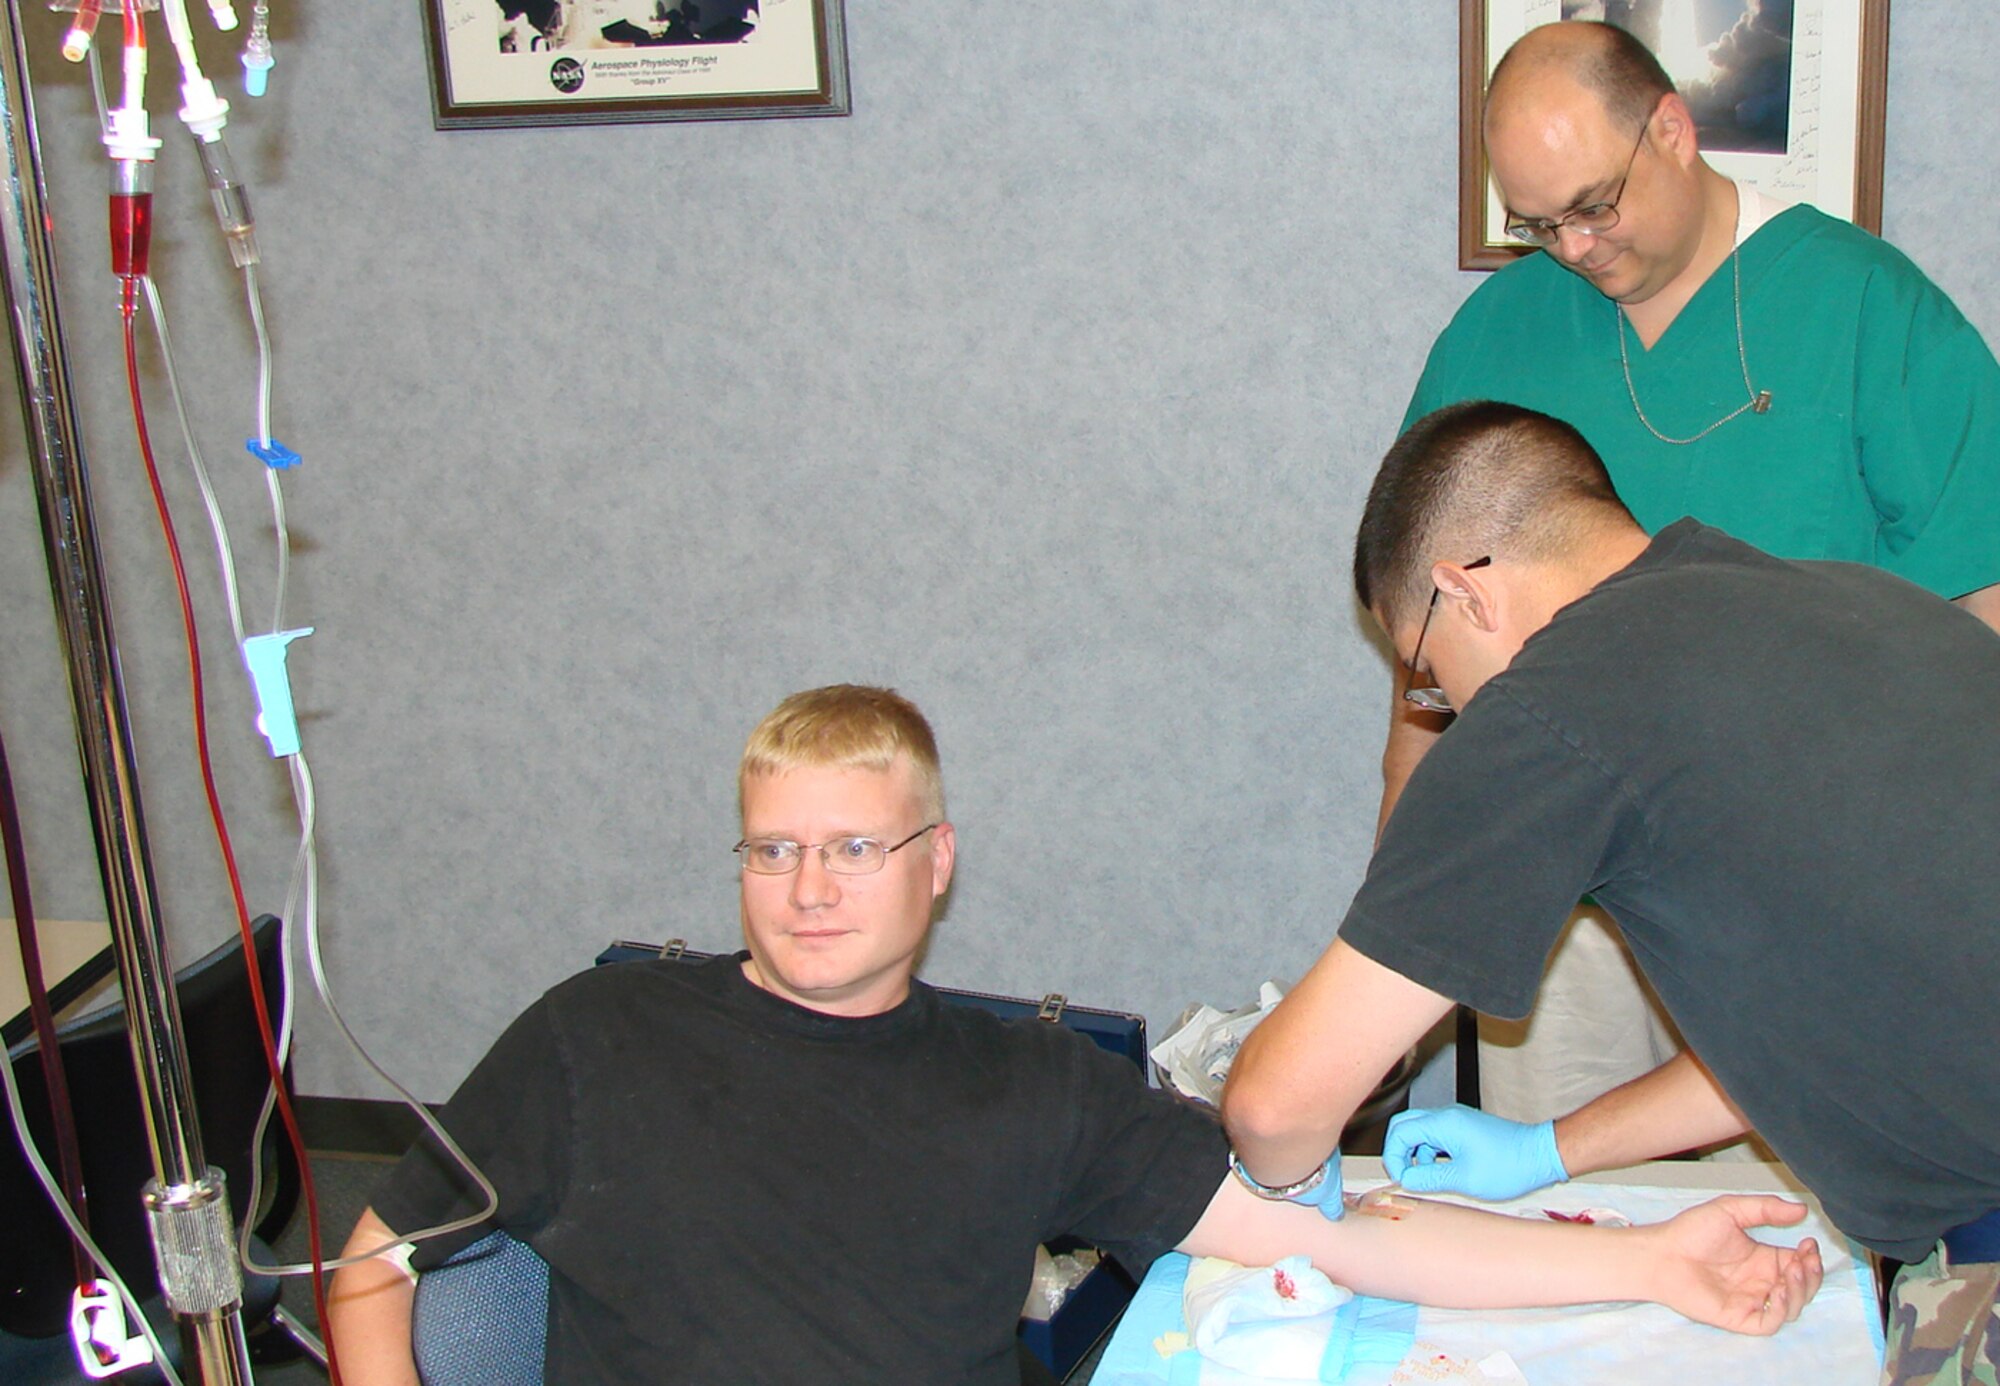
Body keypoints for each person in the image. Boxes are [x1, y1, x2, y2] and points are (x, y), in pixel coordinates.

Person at [327, 683, 1822, 1385]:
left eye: (853, 847)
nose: (807, 888)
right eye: (773, 850)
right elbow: (371, 1266)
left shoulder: (1026, 1082)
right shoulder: (603, 1031)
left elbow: (1343, 1233)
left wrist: (1642, 1258)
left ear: (938, 860)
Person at [1221, 401, 2000, 1386]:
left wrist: (1282, 1198)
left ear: (1461, 594)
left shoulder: (1551, 705)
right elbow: (1846, 1017)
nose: (1444, 707)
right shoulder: (1860, 604)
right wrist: (1548, 1151)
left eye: (1425, 676)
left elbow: (1273, 1105)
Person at [1387, 18, 2000, 1129]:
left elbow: (1980, 601)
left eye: (1590, 205)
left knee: (1792, 1218)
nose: (1570, 248)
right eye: (1535, 224)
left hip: (1809, 886)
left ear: (1669, 129)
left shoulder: (1861, 307)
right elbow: (1426, 647)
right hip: (1561, 888)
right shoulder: (1493, 339)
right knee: (1557, 1210)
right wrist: (1403, 892)